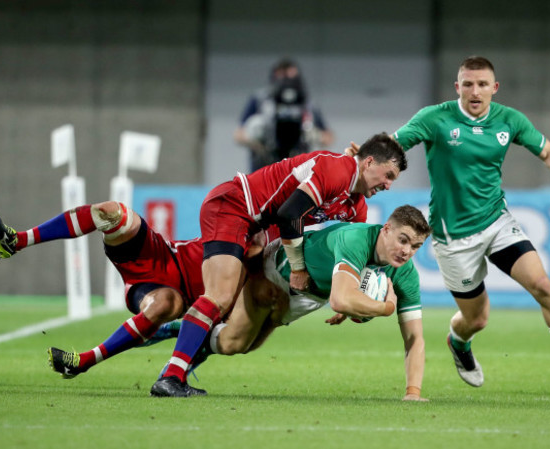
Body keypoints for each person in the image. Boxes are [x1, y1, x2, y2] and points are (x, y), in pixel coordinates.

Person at [347, 56, 550, 388]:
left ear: (494, 88)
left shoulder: (509, 120)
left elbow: (549, 152)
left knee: (542, 285)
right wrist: (364, 157)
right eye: (469, 84)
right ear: (457, 87)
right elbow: (394, 143)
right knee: (477, 319)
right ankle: (458, 342)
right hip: (453, 236)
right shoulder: (436, 118)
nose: (475, 91)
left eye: (483, 84)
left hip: (496, 221)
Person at [150, 133, 407, 397]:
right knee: (220, 297)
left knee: (240, 340)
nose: (388, 185)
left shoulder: (356, 205)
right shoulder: (336, 168)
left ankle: (173, 340)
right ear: (369, 162)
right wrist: (298, 268)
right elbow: (289, 214)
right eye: (388, 175)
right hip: (235, 206)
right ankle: (170, 376)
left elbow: (356, 255)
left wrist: (348, 295)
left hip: (259, 228)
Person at [187, 205, 432, 401]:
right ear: (386, 229)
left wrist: (413, 392)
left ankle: (190, 335)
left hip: (309, 297)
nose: (407, 251)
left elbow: (415, 338)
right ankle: (183, 339)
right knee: (233, 342)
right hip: (280, 273)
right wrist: (385, 308)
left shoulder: (406, 274)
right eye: (403, 240)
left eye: (416, 246)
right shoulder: (356, 239)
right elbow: (339, 300)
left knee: (241, 345)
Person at [0, 203, 208, 395]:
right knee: (110, 212)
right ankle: (17, 241)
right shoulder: (236, 233)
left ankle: (85, 361)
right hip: (161, 252)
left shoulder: (240, 280)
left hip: (163, 292)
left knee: (166, 304)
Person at [234, 57, 334, 172]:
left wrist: (315, 135)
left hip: (298, 171)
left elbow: (328, 137)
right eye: (283, 77)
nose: (287, 82)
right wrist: (255, 138)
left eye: (291, 77)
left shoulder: (306, 104)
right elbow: (238, 134)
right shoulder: (260, 100)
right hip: (264, 168)